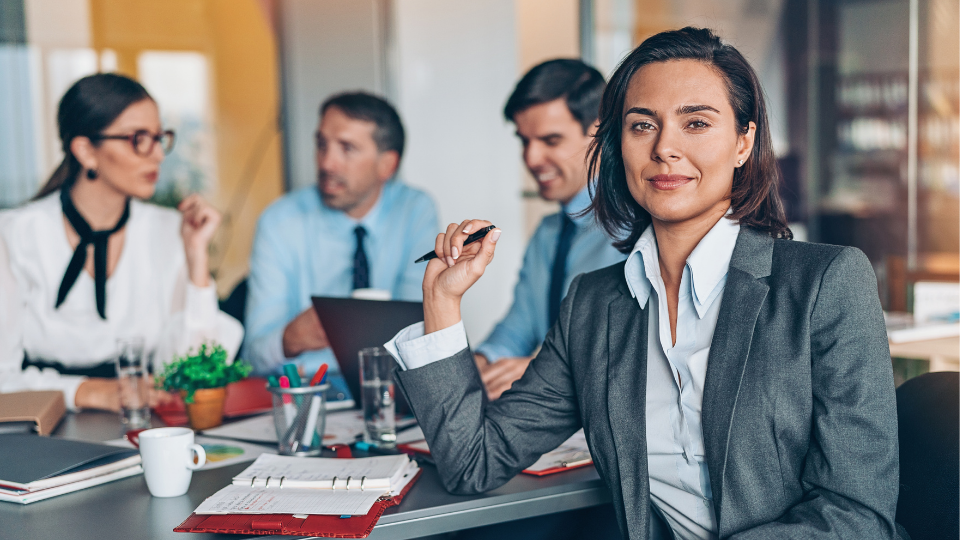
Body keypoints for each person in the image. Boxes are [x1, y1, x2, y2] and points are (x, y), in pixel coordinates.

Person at [387, 28, 904, 540]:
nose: (665, 149)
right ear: (617, 145)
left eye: (696, 123)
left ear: (743, 142)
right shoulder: (592, 304)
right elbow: (471, 463)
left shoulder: (826, 283)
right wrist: (443, 300)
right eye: (641, 126)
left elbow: (856, 516)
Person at [0, 73, 243, 412]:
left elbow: (196, 371)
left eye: (160, 138)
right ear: (85, 150)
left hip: (148, 425)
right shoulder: (15, 234)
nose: (157, 154)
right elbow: (2, 378)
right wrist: (88, 392)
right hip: (46, 430)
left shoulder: (169, 229)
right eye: (138, 139)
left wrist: (196, 258)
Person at [243, 92, 438, 398]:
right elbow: (252, 356)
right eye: (321, 145)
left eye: (347, 148)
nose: (327, 163)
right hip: (308, 392)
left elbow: (422, 326)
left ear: (387, 165)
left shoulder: (414, 210)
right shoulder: (279, 221)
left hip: (393, 389)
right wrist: (289, 339)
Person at [473, 59, 626, 399]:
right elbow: (520, 327)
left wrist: (542, 370)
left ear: (601, 133)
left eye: (550, 140)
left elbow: (629, 351)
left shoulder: (637, 228)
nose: (531, 158)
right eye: (524, 141)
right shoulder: (548, 233)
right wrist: (480, 363)